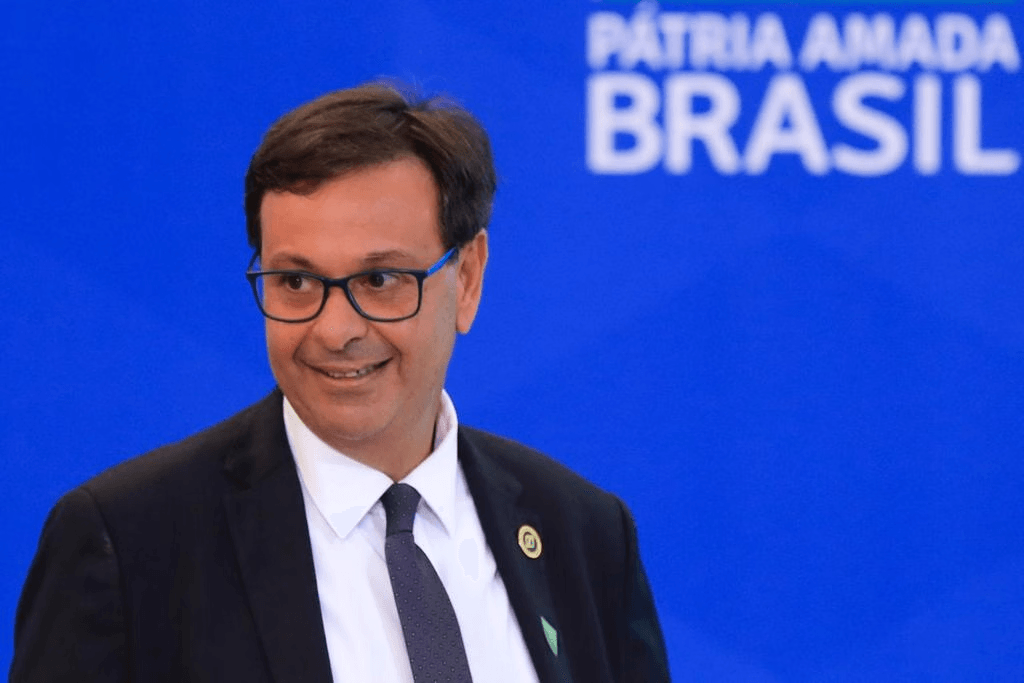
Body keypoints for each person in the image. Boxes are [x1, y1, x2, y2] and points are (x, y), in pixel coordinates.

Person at [11, 82, 670, 682]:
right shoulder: (130, 544)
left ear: (467, 278)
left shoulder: (584, 532)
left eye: (379, 280)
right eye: (296, 281)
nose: (334, 329)